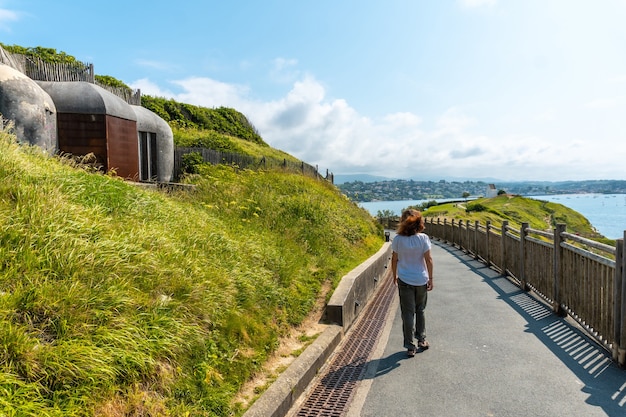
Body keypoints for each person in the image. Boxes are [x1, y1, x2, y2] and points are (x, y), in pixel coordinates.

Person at [391, 209, 434, 357]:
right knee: (420, 310)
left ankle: (410, 346)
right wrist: (431, 278)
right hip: (421, 279)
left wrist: (394, 275)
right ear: (419, 223)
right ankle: (421, 339)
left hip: (404, 279)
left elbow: (394, 259)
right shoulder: (423, 238)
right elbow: (428, 259)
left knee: (407, 313)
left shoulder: (397, 240)